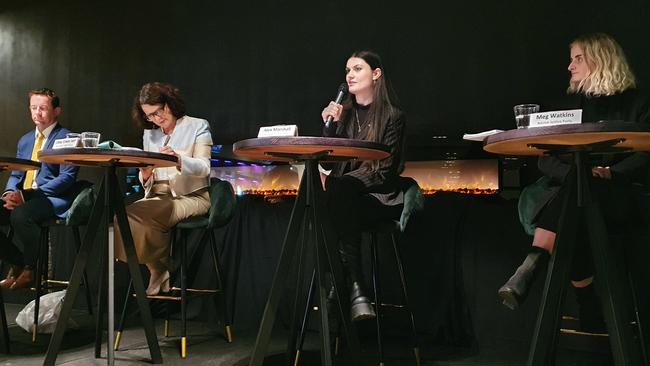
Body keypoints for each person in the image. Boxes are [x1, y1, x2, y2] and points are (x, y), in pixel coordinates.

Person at [498, 33, 650, 332]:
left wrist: (611, 173)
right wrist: (578, 174)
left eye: (577, 58)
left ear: (602, 59)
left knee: (576, 201)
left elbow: (646, 153)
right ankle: (589, 306)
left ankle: (534, 262)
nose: (570, 66)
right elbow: (544, 157)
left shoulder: (640, 103)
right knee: (576, 195)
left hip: (619, 191)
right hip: (576, 188)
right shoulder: (570, 105)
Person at [320, 50, 407, 321]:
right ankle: (357, 289)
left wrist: (347, 183)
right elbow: (329, 159)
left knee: (337, 193)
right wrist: (329, 127)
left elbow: (384, 171)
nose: (350, 75)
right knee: (322, 198)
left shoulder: (393, 116)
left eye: (357, 69)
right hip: (346, 200)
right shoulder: (343, 115)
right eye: (347, 70)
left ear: (376, 74)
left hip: (378, 198)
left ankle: (340, 284)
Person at [114, 82, 212, 296]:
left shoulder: (197, 126)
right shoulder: (150, 135)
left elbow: (205, 168)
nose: (156, 119)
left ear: (169, 103)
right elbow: (147, 177)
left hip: (191, 196)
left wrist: (178, 159)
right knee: (121, 217)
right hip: (157, 195)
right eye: (149, 116)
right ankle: (158, 267)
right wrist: (146, 174)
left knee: (146, 216)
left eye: (158, 111)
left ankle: (163, 266)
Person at [0, 88, 79, 289]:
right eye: (33, 108)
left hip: (52, 198)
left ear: (57, 111)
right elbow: (16, 174)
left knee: (20, 215)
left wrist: (26, 195)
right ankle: (17, 261)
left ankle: (31, 269)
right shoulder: (26, 140)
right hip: (23, 197)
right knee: (15, 210)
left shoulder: (67, 137)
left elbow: (66, 178)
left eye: (43, 108)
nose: (37, 113)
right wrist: (10, 193)